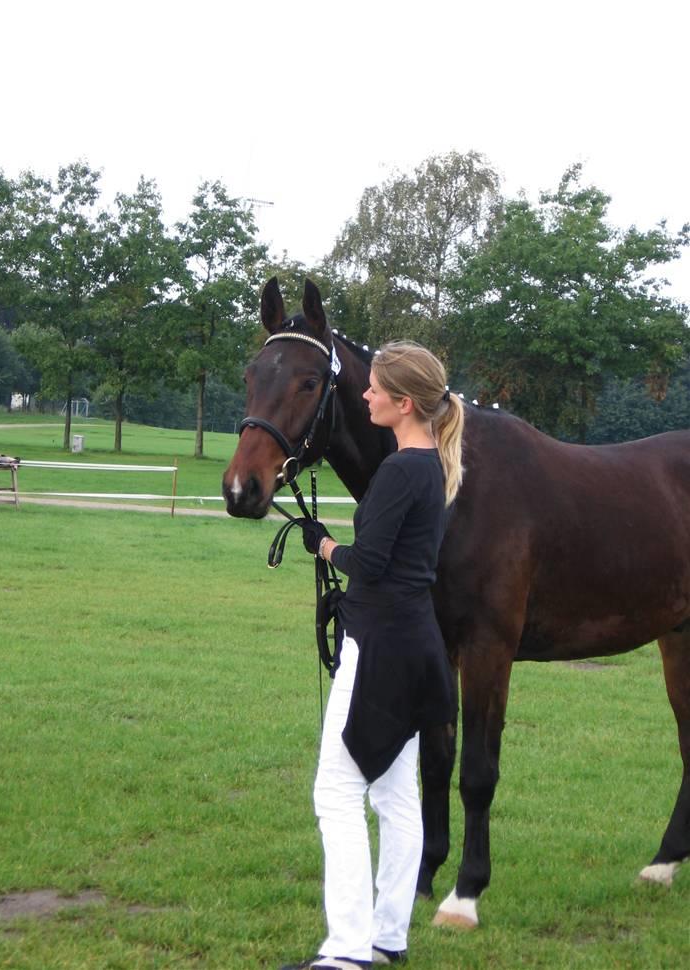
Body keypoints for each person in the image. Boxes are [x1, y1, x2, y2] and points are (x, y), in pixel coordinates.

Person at [281, 341, 465, 970]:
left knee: (336, 791)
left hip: (380, 648)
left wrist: (324, 545)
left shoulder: (398, 470)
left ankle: (348, 950)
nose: (365, 396)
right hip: (418, 646)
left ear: (403, 402)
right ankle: (387, 939)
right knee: (394, 795)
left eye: (375, 390)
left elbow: (369, 564)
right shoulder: (432, 465)